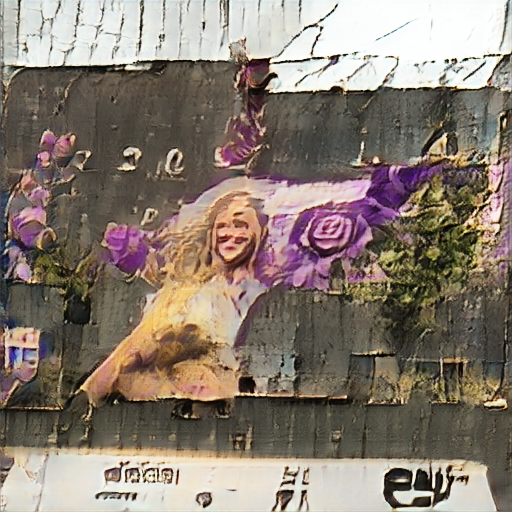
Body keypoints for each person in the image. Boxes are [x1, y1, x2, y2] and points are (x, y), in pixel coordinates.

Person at [76, 191, 268, 407]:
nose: (230, 232)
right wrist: (90, 392)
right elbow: (136, 345)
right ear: (211, 233)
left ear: (262, 232)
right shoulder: (184, 292)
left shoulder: (268, 298)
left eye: (241, 224)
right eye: (222, 225)